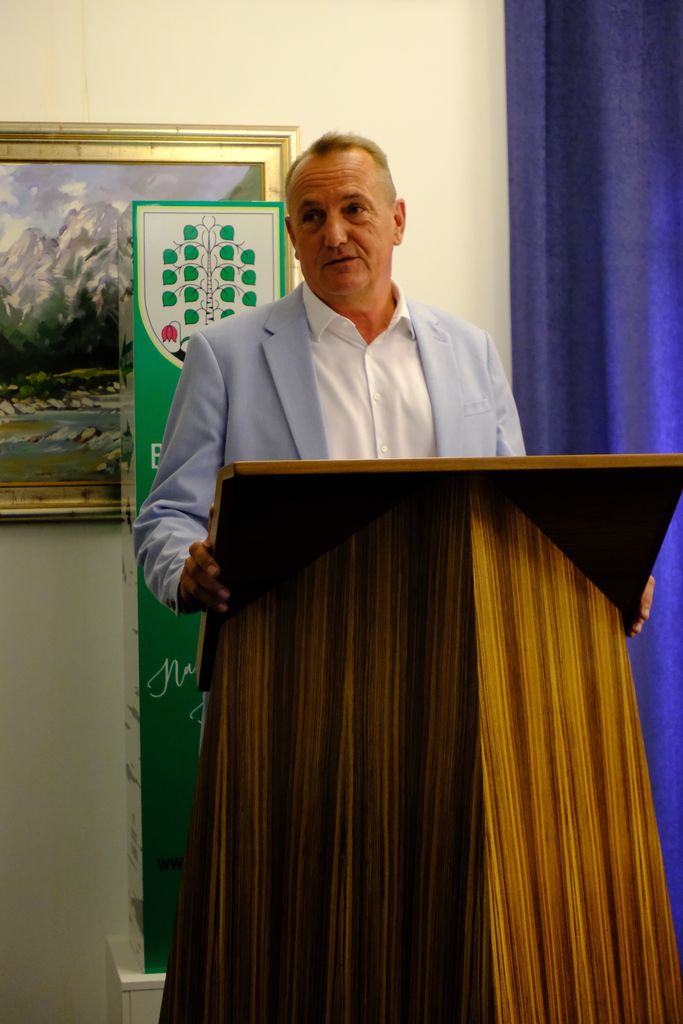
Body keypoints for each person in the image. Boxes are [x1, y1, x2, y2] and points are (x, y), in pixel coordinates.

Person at [133, 131, 653, 635]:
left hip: (454, 646)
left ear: (397, 221)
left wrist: (600, 574)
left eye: (354, 209)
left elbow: (514, 514)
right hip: (292, 651)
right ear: (293, 238)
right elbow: (168, 515)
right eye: (313, 217)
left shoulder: (471, 350)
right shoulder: (225, 355)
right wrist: (185, 569)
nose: (335, 235)